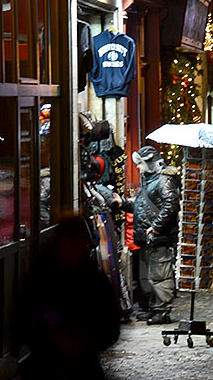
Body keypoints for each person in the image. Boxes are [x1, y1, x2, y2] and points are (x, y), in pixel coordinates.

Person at [20, 215, 121, 380]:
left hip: (73, 364)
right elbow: (24, 321)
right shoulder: (42, 279)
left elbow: (110, 326)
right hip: (52, 365)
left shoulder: (91, 278)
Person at [116, 146, 180, 324]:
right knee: (148, 276)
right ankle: (154, 308)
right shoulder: (150, 180)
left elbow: (171, 205)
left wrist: (156, 226)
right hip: (147, 238)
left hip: (157, 238)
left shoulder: (164, 180)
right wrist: (123, 204)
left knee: (160, 275)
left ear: (150, 162)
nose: (138, 167)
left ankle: (162, 311)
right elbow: (141, 206)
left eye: (141, 163)